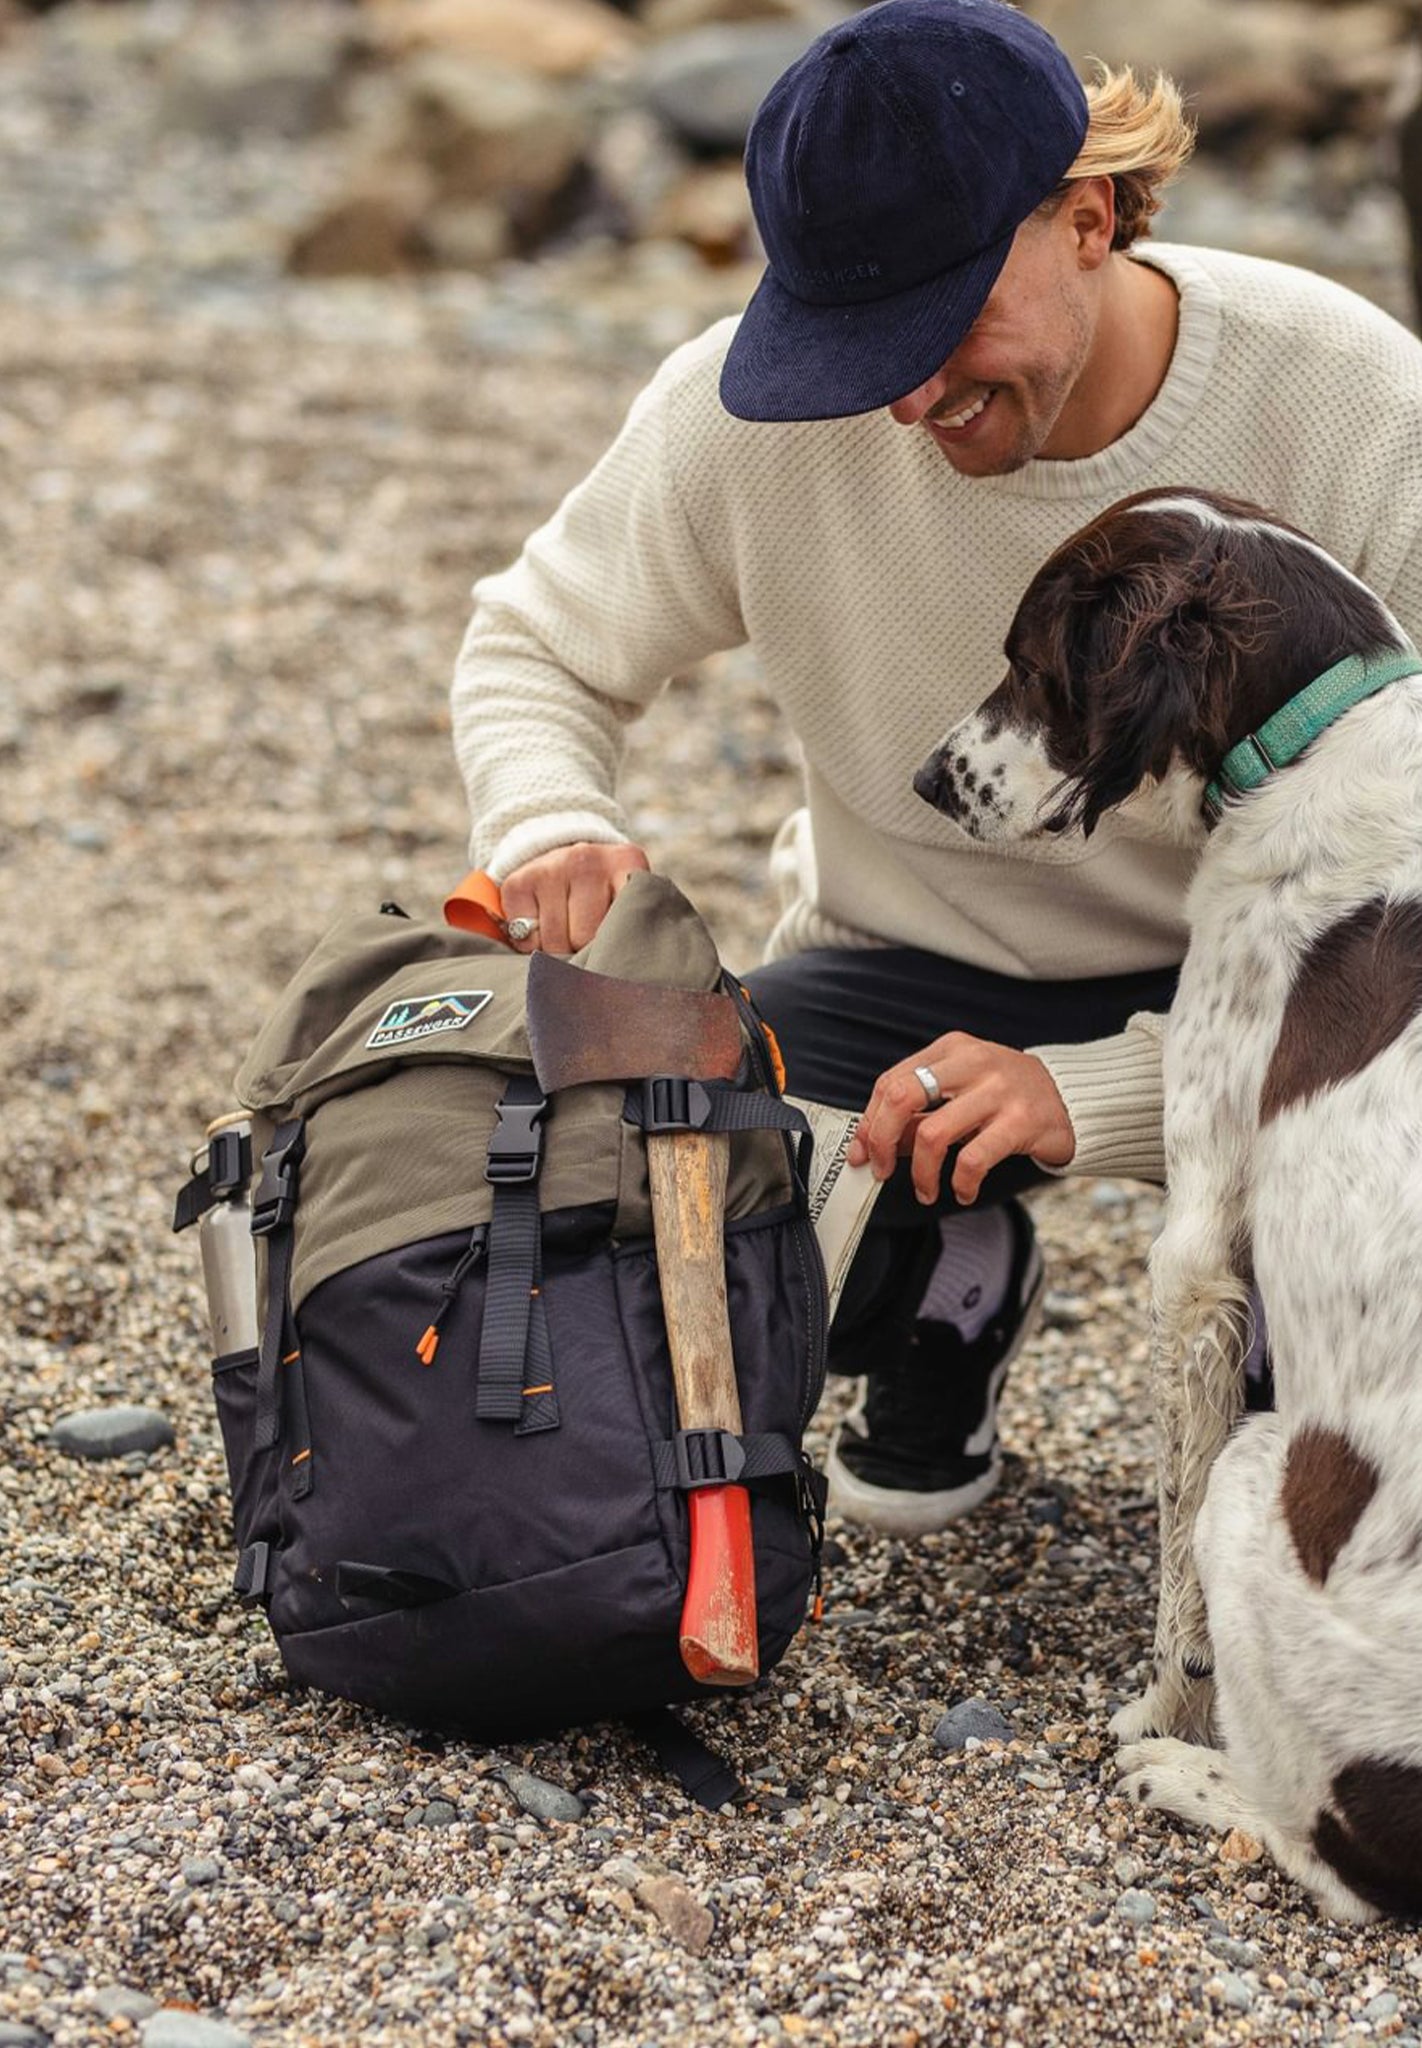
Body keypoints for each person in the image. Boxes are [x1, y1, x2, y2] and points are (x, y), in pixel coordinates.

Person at [450, 0, 1422, 1535]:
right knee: (657, 1187)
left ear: (1085, 217)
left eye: (940, 325)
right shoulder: (741, 420)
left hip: (1310, 997)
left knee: (1318, 1473)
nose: (903, 398)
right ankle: (935, 1288)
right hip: (907, 962)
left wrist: (1092, 1092)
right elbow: (535, 648)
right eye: (854, 339)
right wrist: (552, 820)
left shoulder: (1352, 403)